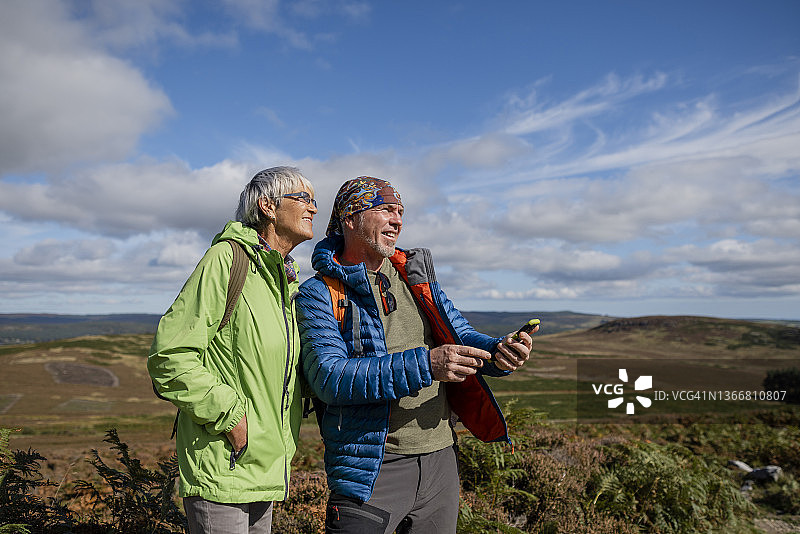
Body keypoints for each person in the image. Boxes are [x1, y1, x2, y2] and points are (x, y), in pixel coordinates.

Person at [296, 176, 535, 533]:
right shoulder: (317, 293)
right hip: (373, 470)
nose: (397, 220)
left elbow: (460, 334)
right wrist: (426, 364)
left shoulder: (414, 277)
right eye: (386, 210)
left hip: (441, 462)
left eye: (401, 212)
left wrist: (498, 351)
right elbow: (330, 378)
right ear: (350, 219)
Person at [148, 166, 317, 534]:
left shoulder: (282, 277)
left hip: (263, 465)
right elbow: (169, 358)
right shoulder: (227, 260)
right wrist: (231, 417)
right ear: (268, 206)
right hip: (223, 464)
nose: (314, 208)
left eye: (314, 200)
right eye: (303, 198)